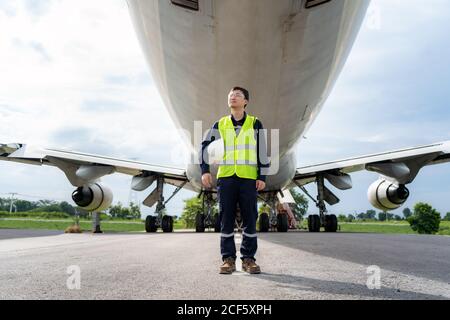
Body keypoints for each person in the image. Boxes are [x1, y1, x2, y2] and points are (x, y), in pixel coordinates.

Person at [199, 86, 269, 274]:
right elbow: (204, 146)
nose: (233, 97)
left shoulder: (255, 123)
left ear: (246, 101)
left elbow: (262, 150)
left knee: (250, 218)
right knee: (226, 218)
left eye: (238, 95)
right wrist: (205, 170)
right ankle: (228, 259)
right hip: (227, 177)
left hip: (247, 178)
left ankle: (248, 259)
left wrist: (262, 176)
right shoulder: (220, 124)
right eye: (231, 95)